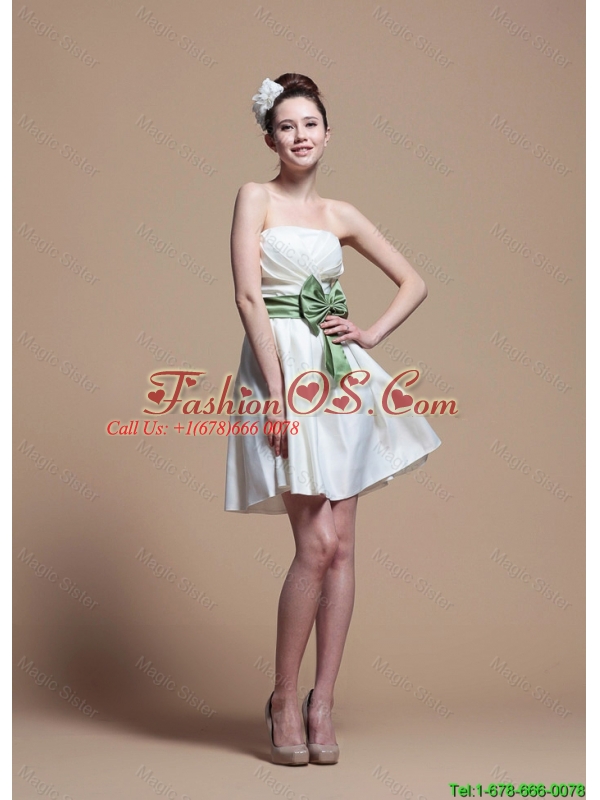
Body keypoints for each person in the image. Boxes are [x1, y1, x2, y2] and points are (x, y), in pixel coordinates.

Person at [224, 73, 442, 765]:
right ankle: (285, 699)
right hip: (280, 372)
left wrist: (369, 334)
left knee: (342, 544)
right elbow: (250, 299)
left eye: (310, 124)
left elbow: (415, 281)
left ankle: (323, 702)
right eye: (286, 126)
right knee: (315, 544)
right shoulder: (255, 197)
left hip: (338, 375)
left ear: (327, 133)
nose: (300, 136)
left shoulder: (342, 214)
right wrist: (278, 392)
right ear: (270, 138)